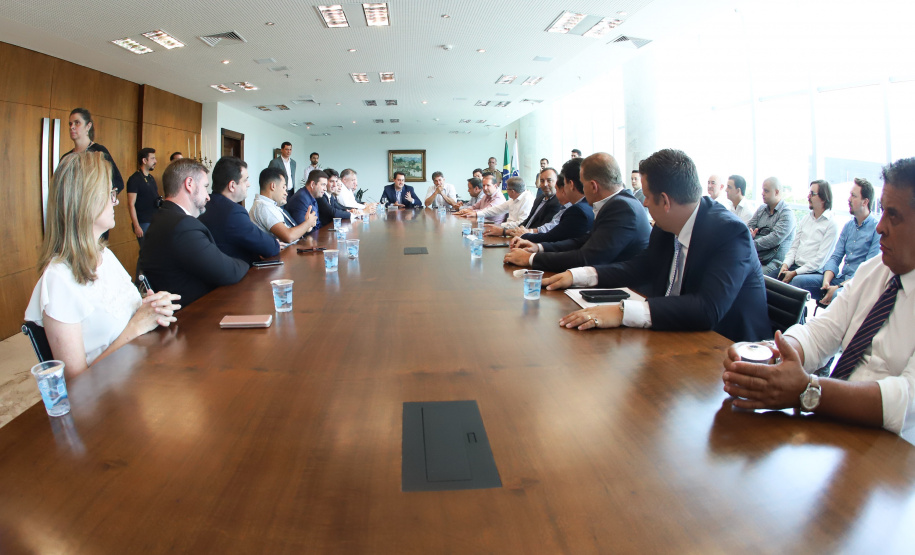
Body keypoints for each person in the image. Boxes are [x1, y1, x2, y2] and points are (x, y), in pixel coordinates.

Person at [721, 157, 915, 438]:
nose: (880, 226)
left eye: (893, 216)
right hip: (833, 423)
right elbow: (823, 331)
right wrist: (772, 356)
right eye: (883, 211)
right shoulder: (875, 270)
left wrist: (808, 390)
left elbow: (906, 400)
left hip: (892, 454)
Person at [545, 148, 769, 343]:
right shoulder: (667, 225)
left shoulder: (730, 232)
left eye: (648, 196)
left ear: (665, 201)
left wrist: (622, 312)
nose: (644, 202)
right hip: (675, 335)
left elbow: (707, 309)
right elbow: (641, 266)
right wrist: (577, 276)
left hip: (727, 350)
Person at [24, 151, 180, 376]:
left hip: (143, 369)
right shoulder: (58, 279)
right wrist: (137, 326)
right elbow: (77, 382)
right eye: (110, 193)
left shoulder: (104, 254)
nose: (116, 201)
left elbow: (127, 309)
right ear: (87, 200)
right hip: (110, 398)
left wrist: (152, 305)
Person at [503, 153, 650, 273]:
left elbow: (588, 257)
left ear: (593, 186)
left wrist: (530, 259)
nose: (582, 191)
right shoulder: (617, 203)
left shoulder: (622, 208)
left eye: (583, 184)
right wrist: (538, 247)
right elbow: (583, 241)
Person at [138, 158, 248, 306]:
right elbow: (228, 272)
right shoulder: (183, 226)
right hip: (193, 315)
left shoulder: (162, 217)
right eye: (205, 186)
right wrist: (248, 262)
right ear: (189, 184)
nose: (208, 196)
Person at [792, 177, 880, 303]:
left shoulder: (877, 229)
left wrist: (838, 287)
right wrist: (827, 282)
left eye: (853, 196)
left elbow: (867, 270)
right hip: (840, 279)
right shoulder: (848, 226)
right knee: (797, 282)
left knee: (836, 295)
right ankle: (797, 322)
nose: (849, 199)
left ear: (865, 202)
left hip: (858, 284)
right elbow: (836, 257)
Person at [198, 156, 280, 264]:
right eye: (245, 180)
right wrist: (275, 244)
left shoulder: (204, 205)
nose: (248, 184)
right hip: (239, 276)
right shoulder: (234, 212)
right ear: (232, 185)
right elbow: (270, 248)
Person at [515, 158, 594, 244]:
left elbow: (553, 237)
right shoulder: (586, 206)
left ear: (570, 185)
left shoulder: (577, 210)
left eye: (564, 184)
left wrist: (525, 235)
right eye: (541, 181)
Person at [777, 180, 840, 284]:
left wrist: (794, 273)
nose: (808, 197)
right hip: (795, 266)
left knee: (795, 282)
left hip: (813, 272)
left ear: (823, 198)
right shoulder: (806, 219)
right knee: (766, 280)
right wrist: (785, 265)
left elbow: (819, 261)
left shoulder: (831, 224)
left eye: (812, 194)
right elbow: (794, 248)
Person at [65, 107, 125, 194]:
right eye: (70, 124)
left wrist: (111, 195)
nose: (72, 127)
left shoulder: (99, 151)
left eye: (77, 123)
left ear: (88, 126)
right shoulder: (66, 157)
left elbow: (118, 181)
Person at [250, 167, 317, 243]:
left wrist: (307, 226)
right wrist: (308, 223)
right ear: (273, 186)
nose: (286, 193)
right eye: (283, 187)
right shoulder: (263, 207)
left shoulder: (271, 205)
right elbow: (288, 236)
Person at [747, 176, 797, 278]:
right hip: (755, 256)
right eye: (762, 190)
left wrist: (750, 243)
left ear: (777, 192)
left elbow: (774, 239)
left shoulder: (786, 214)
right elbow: (749, 227)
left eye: (766, 191)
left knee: (750, 276)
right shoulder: (761, 209)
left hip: (774, 262)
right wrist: (748, 235)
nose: (762, 193)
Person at [126, 147, 159, 245]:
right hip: (143, 223)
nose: (155, 161)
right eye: (152, 158)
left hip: (154, 221)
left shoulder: (151, 178)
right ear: (144, 160)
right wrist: (136, 226)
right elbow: (131, 204)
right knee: (147, 254)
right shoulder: (134, 179)